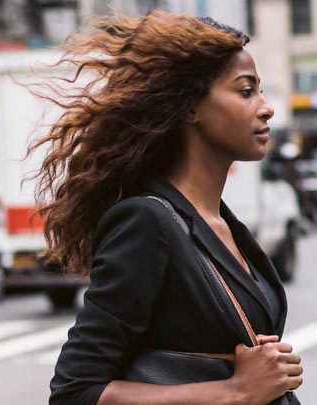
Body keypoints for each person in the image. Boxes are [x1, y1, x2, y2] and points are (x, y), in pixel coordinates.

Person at [31, 11, 302, 405]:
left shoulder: (220, 221)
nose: (266, 108)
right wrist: (236, 391)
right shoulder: (147, 221)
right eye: (246, 91)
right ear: (192, 108)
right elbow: (75, 392)